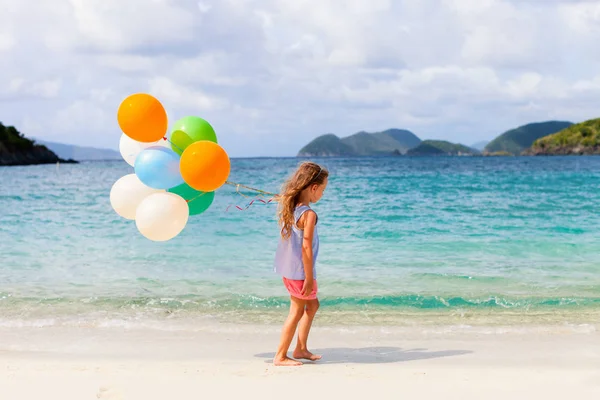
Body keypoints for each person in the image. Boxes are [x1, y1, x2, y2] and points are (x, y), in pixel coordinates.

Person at [273, 161, 329, 366]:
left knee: (312, 305)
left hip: (290, 271)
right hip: (300, 274)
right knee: (296, 312)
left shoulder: (292, 208)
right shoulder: (309, 214)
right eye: (322, 189)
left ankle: (301, 348)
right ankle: (280, 355)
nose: (322, 194)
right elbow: (306, 248)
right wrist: (308, 277)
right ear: (313, 188)